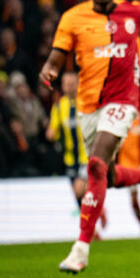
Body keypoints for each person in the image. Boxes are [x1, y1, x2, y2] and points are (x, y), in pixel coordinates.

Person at [40, 0, 140, 274]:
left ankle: (81, 249)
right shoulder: (72, 18)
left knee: (95, 165)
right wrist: (49, 69)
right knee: (105, 175)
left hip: (124, 98)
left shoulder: (134, 11)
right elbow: (56, 57)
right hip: (88, 105)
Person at [46, 72, 88, 209]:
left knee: (78, 190)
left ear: (78, 84)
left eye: (72, 84)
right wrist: (51, 133)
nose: (69, 87)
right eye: (66, 84)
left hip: (86, 157)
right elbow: (52, 132)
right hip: (69, 158)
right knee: (77, 196)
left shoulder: (86, 102)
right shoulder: (59, 106)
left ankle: (92, 214)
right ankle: (91, 217)